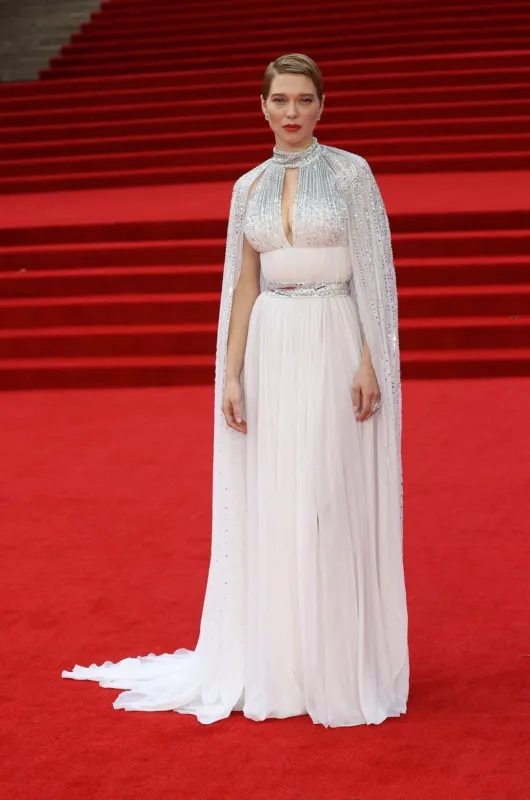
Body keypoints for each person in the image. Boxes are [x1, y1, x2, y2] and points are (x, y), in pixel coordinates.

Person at [62, 53, 409, 729]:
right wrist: (230, 370)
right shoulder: (246, 186)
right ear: (261, 106)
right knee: (278, 497)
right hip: (271, 348)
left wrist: (370, 358)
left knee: (327, 495)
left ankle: (337, 664)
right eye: (279, 100)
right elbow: (242, 284)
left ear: (321, 105)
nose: (290, 113)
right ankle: (281, 662)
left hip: (334, 331)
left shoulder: (350, 174)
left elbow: (375, 272)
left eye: (303, 100)